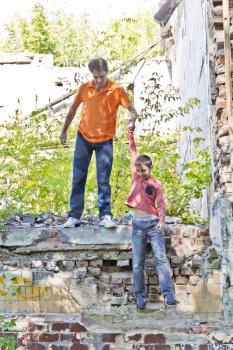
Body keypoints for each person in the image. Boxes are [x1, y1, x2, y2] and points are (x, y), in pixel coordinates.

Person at [60, 58, 137, 228]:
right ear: (92, 75)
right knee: (78, 177)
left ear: (107, 73)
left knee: (103, 180)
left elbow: (132, 110)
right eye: (96, 77)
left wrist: (132, 121)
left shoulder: (116, 90)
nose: (99, 80)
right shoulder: (84, 88)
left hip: (105, 142)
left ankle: (105, 216)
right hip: (83, 139)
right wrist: (64, 130)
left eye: (102, 76)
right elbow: (73, 109)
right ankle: (74, 216)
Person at [125, 130, 176, 309]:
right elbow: (133, 153)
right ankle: (139, 296)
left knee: (161, 260)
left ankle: (168, 294)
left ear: (150, 168)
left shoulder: (156, 184)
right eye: (137, 170)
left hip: (154, 225)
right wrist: (130, 134)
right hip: (138, 225)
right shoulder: (136, 179)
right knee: (137, 263)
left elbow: (161, 204)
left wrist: (162, 221)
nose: (139, 173)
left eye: (143, 170)